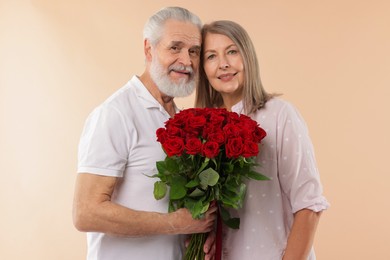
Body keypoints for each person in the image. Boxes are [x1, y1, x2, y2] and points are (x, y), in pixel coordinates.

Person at [72, 7, 217, 260]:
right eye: (175, 47)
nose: (186, 61)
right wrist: (176, 223)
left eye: (194, 51)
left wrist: (200, 235)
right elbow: (86, 212)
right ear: (149, 49)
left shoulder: (181, 119)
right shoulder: (116, 114)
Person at [195, 20, 330, 260]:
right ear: (203, 68)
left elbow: (308, 206)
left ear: (248, 56)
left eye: (232, 51)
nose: (224, 63)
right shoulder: (202, 129)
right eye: (211, 56)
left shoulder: (280, 115)